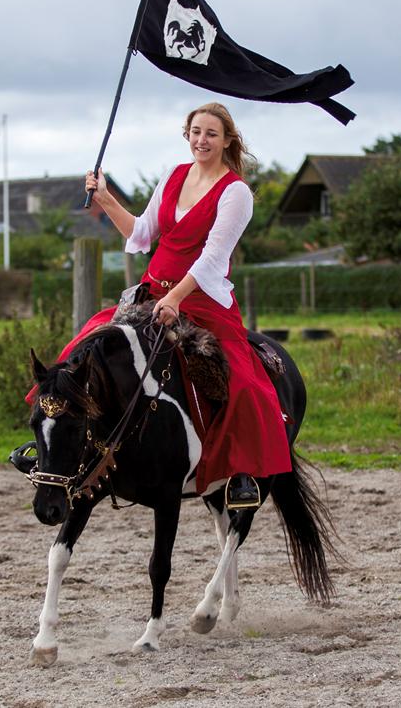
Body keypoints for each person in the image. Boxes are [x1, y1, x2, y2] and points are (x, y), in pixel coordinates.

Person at [27, 102, 291, 509]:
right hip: (151, 295)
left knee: (242, 381)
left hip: (202, 301)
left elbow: (213, 258)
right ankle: (55, 444)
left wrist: (176, 297)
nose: (202, 140)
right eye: (196, 132)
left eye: (211, 134)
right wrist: (105, 198)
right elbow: (144, 231)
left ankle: (241, 474)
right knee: (83, 347)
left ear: (227, 141)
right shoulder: (172, 176)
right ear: (187, 134)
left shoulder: (236, 192)